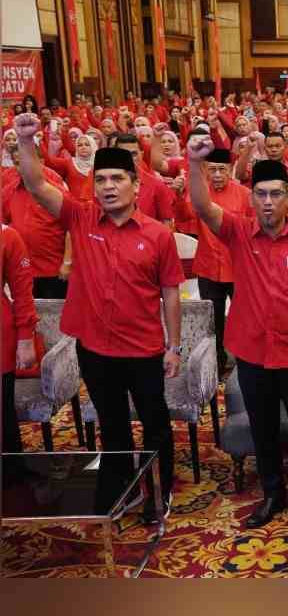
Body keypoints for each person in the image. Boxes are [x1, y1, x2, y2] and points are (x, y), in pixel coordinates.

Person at [13, 112, 183, 524]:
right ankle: (120, 487)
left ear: (135, 185)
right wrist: (26, 138)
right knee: (113, 425)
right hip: (96, 349)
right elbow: (36, 184)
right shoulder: (81, 217)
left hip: (144, 348)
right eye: (101, 180)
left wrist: (174, 346)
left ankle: (158, 492)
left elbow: (171, 292)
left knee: (156, 423)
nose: (108, 187)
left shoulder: (158, 235)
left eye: (117, 179)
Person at [187, 138, 288, 530]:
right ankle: (272, 493)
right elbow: (202, 206)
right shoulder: (237, 232)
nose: (268, 201)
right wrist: (194, 162)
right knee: (262, 427)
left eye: (275, 194)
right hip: (252, 353)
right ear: (251, 199)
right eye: (260, 194)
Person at [173, 144, 253, 375]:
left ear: (230, 169)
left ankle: (245, 362)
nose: (217, 175)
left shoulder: (244, 195)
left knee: (244, 317)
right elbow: (184, 216)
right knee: (213, 319)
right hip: (208, 267)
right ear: (206, 171)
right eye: (213, 170)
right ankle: (216, 362)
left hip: (238, 268)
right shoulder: (199, 194)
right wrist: (178, 197)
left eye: (222, 169)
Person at [2, 147, 73, 299]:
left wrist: (67, 262)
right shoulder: (8, 192)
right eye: (17, 163)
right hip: (21, 269)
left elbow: (72, 229)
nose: (22, 167)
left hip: (53, 268)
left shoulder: (57, 192)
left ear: (41, 162)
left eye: (27, 161)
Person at [1, 224, 38, 460]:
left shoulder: (7, 236)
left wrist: (26, 338)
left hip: (1, 334)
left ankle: (11, 478)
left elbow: (23, 292)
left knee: (3, 415)